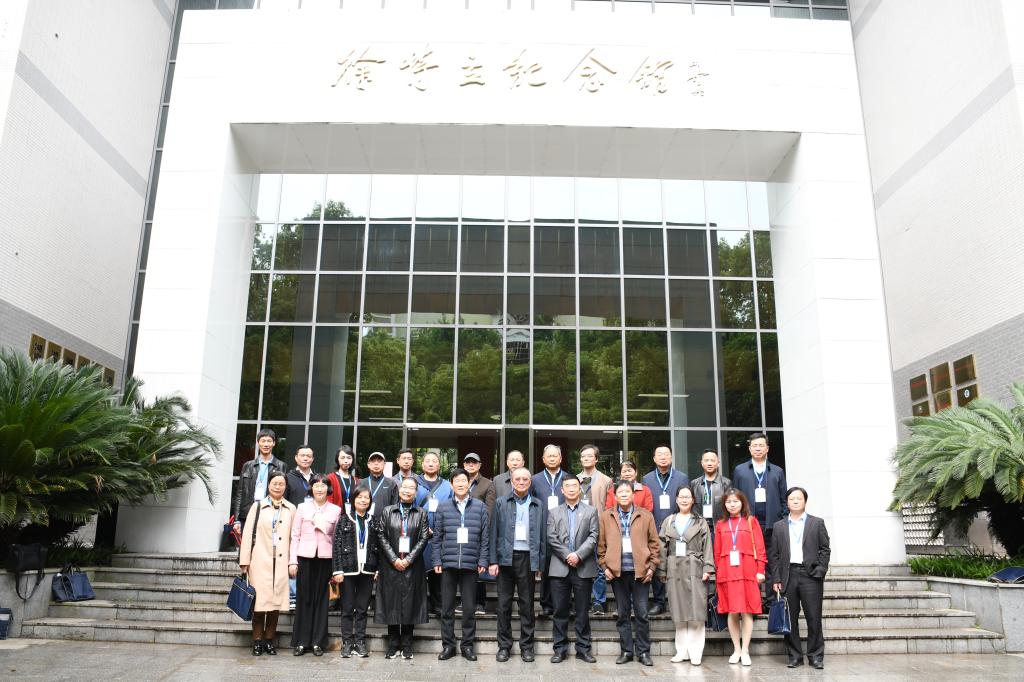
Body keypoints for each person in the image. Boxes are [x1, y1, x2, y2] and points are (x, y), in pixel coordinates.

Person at [598, 479, 660, 667]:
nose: (624, 494)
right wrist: (605, 567)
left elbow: (655, 544)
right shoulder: (606, 516)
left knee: (642, 613)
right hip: (617, 573)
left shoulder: (645, 515)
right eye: (620, 492)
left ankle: (643, 652)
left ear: (633, 495)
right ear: (615, 496)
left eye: (627, 492)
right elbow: (601, 546)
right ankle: (626, 651)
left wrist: (652, 567)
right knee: (623, 613)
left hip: (641, 572)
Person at [769, 487, 831, 670]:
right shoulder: (779, 526)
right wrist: (776, 578)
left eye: (799, 498)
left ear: (805, 501)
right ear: (787, 502)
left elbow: (825, 549)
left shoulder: (816, 523)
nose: (795, 501)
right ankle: (794, 656)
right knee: (790, 618)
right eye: (792, 499)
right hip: (788, 576)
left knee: (814, 617)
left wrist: (820, 571)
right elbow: (774, 555)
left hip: (810, 576)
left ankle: (816, 656)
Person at [488, 466, 545, 663]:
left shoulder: (538, 504)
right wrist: (493, 560)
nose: (521, 482)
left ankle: (527, 647)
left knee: (527, 604)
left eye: (525, 479)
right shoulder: (501, 503)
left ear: (530, 482)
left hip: (528, 558)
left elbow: (542, 536)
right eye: (517, 479)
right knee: (503, 604)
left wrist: (540, 563)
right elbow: (493, 532)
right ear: (512, 481)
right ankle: (504, 646)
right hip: (505, 558)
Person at [433, 468, 490, 661]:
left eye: (463, 480)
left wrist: (483, 559)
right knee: (447, 609)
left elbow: (485, 537)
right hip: (448, 564)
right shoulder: (443, 507)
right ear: (451, 484)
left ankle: (467, 646)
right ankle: (448, 646)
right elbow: (437, 537)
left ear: (469, 483)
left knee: (469, 609)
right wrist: (437, 560)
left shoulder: (480, 507)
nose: (460, 484)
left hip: (470, 564)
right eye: (456, 481)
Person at [238, 470, 295, 656]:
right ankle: (257, 640)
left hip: (281, 561)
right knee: (259, 604)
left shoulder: (291, 509)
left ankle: (269, 640)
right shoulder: (257, 507)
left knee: (275, 605)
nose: (277, 487)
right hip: (259, 561)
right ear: (268, 485)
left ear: (286, 486)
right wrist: (244, 561)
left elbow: (294, 538)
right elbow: (247, 535)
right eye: (274, 483)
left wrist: (293, 561)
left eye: (281, 484)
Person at [375, 477, 429, 660]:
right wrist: (394, 559)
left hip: (413, 566)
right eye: (404, 487)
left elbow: (423, 538)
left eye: (411, 488)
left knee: (410, 604)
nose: (407, 490)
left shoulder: (421, 513)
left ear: (416, 492)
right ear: (399, 490)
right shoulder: (388, 511)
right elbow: (381, 535)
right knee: (391, 604)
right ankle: (392, 644)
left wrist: (408, 560)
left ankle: (406, 644)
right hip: (390, 566)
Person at [547, 474, 599, 664]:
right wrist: (568, 555)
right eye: (567, 486)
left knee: (582, 611)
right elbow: (551, 537)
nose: (571, 489)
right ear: (562, 490)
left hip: (583, 567)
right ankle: (559, 649)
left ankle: (583, 649)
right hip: (559, 568)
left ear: (579, 489)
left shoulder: (591, 511)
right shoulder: (553, 512)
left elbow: (594, 536)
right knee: (559, 610)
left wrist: (578, 555)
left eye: (574, 486)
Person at [658, 486, 713, 665]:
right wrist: (662, 570)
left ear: (693, 500)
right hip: (674, 569)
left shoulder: (700, 521)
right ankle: (682, 651)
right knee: (679, 611)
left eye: (687, 497)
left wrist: (708, 568)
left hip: (695, 567)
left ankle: (696, 652)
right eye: (681, 496)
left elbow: (707, 546)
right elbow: (662, 547)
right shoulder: (669, 521)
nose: (684, 500)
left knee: (696, 611)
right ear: (676, 499)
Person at [289, 474, 341, 656]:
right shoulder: (302, 508)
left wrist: (336, 566)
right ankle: (301, 641)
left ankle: (318, 642)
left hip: (326, 559)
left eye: (323, 485)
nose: (319, 488)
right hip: (305, 558)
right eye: (316, 485)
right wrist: (292, 561)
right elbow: (295, 535)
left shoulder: (335, 510)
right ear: (311, 488)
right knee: (304, 599)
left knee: (321, 601)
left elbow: (337, 540)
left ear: (328, 488)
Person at [714, 489, 766, 667]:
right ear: (724, 505)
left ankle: (745, 650)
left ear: (742, 503)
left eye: (735, 501)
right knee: (732, 610)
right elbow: (717, 552)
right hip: (727, 573)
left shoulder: (751, 521)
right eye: (728, 502)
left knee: (747, 610)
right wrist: (719, 572)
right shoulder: (720, 525)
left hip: (747, 571)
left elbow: (760, 548)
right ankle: (736, 649)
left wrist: (761, 569)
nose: (732, 505)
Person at [642, 444, 690, 616]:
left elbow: (685, 501)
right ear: (654, 458)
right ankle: (659, 601)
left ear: (671, 457)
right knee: (658, 563)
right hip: (654, 528)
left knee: (679, 562)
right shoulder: (647, 479)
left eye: (666, 454)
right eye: (659, 454)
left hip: (677, 527)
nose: (663, 457)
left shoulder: (682, 478)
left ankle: (680, 600)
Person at [332, 486, 378, 658]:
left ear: (370, 501)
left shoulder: (373, 521)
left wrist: (378, 568)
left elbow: (379, 546)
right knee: (347, 608)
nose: (363, 500)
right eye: (359, 497)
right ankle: (347, 642)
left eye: (366, 498)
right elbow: (336, 546)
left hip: (368, 570)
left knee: (362, 609)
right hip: (347, 571)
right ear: (353, 500)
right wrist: (337, 570)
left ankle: (359, 642)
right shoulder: (344, 519)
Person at [731, 433, 786, 553]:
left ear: (767, 448)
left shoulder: (778, 471)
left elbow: (784, 499)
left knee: (772, 557)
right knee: (750, 556)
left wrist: (782, 518)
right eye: (754, 446)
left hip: (773, 524)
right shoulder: (740, 471)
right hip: (747, 522)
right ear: (749, 448)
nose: (758, 449)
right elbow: (734, 497)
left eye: (761, 445)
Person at [415, 451, 453, 616]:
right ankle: (419, 606)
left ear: (439, 465)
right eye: (427, 461)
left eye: (434, 461)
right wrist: (422, 526)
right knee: (418, 572)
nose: (431, 464)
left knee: (437, 570)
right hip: (417, 534)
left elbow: (452, 508)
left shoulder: (447, 486)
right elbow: (410, 506)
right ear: (422, 464)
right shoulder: (414, 483)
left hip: (440, 535)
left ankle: (437, 605)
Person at [578, 444, 613, 616]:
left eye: (590, 456)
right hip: (578, 528)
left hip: (598, 526)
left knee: (599, 565)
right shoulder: (574, 480)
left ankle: (599, 601)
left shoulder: (606, 480)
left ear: (596, 459)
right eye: (583, 456)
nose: (586, 459)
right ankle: (582, 601)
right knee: (580, 564)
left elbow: (609, 506)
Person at [232, 429, 288, 534]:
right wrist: (237, 520)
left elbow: (284, 493)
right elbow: (240, 493)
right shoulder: (248, 465)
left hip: (270, 512)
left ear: (274, 443)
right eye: (263, 441)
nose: (266, 444)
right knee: (247, 543)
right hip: (249, 512)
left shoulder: (281, 466)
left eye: (269, 441)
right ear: (258, 442)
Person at [464, 452, 496, 615]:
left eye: (474, 462)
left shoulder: (487, 484)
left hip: (478, 532)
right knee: (464, 568)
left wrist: (483, 530)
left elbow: (489, 510)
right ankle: (465, 602)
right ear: (464, 465)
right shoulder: (459, 480)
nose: (471, 465)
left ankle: (479, 603)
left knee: (479, 567)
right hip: (461, 532)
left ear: (479, 465)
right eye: (468, 462)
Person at [690, 448, 731, 529]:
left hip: (720, 527)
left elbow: (730, 506)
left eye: (712, 460)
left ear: (718, 463)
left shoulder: (726, 483)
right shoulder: (694, 483)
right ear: (702, 463)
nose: (709, 463)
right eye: (706, 460)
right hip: (699, 528)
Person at [360, 450, 399, 521]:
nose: (376, 464)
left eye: (379, 461)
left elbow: (395, 507)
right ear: (368, 464)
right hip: (364, 522)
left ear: (384, 464)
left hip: (385, 523)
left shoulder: (391, 484)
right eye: (373, 461)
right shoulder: (361, 483)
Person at [326, 445, 359, 513]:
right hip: (336, 516)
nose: (346, 461)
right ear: (337, 459)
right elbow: (328, 501)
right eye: (342, 458)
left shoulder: (356, 481)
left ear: (352, 460)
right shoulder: (330, 478)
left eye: (349, 458)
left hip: (353, 517)